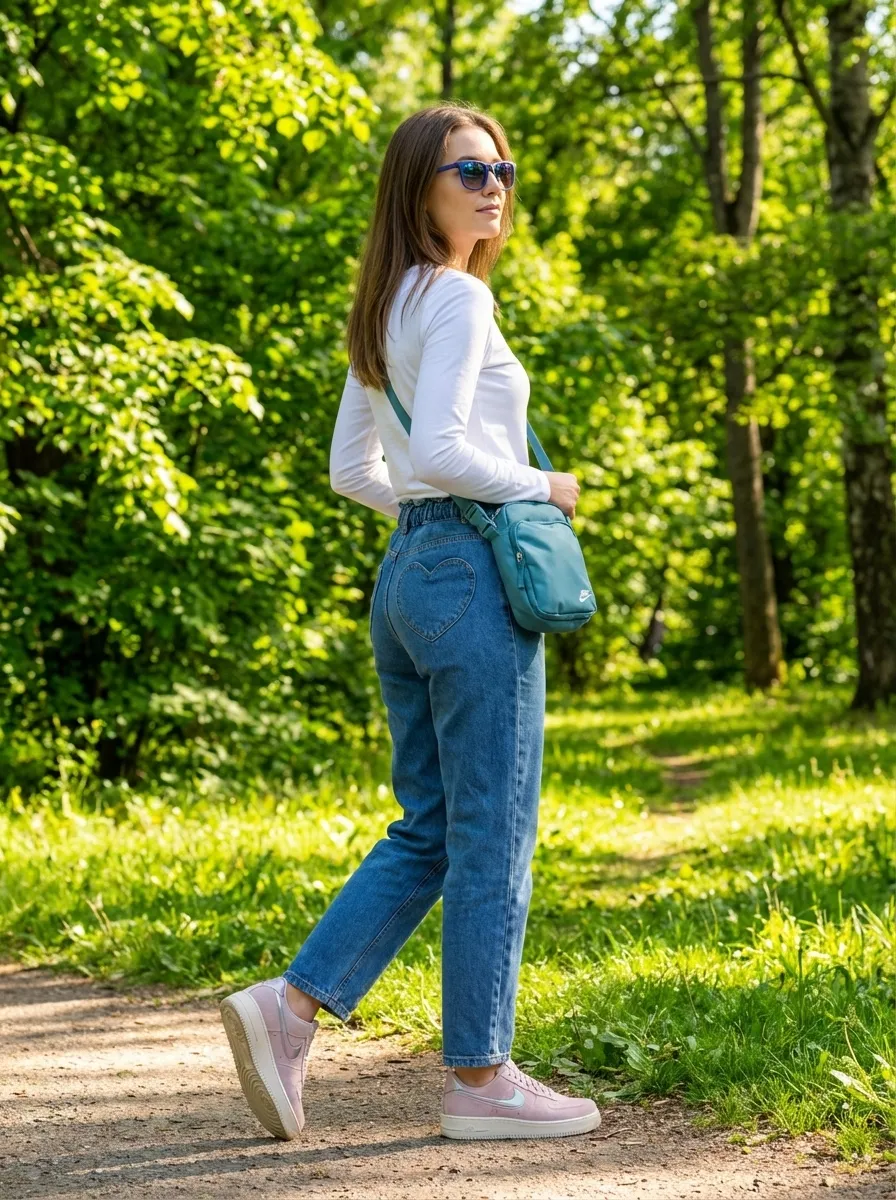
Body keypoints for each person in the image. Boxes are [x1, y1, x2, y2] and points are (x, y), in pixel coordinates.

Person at [219, 101, 598, 1143]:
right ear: (416, 188)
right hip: (466, 575)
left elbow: (357, 472)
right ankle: (479, 1080)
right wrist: (538, 486)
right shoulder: (459, 301)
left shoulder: (387, 303)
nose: (491, 186)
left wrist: (433, 527)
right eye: (464, 170)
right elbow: (434, 450)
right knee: (492, 835)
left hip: (409, 579)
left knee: (432, 828)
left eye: (501, 169)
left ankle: (286, 1009)